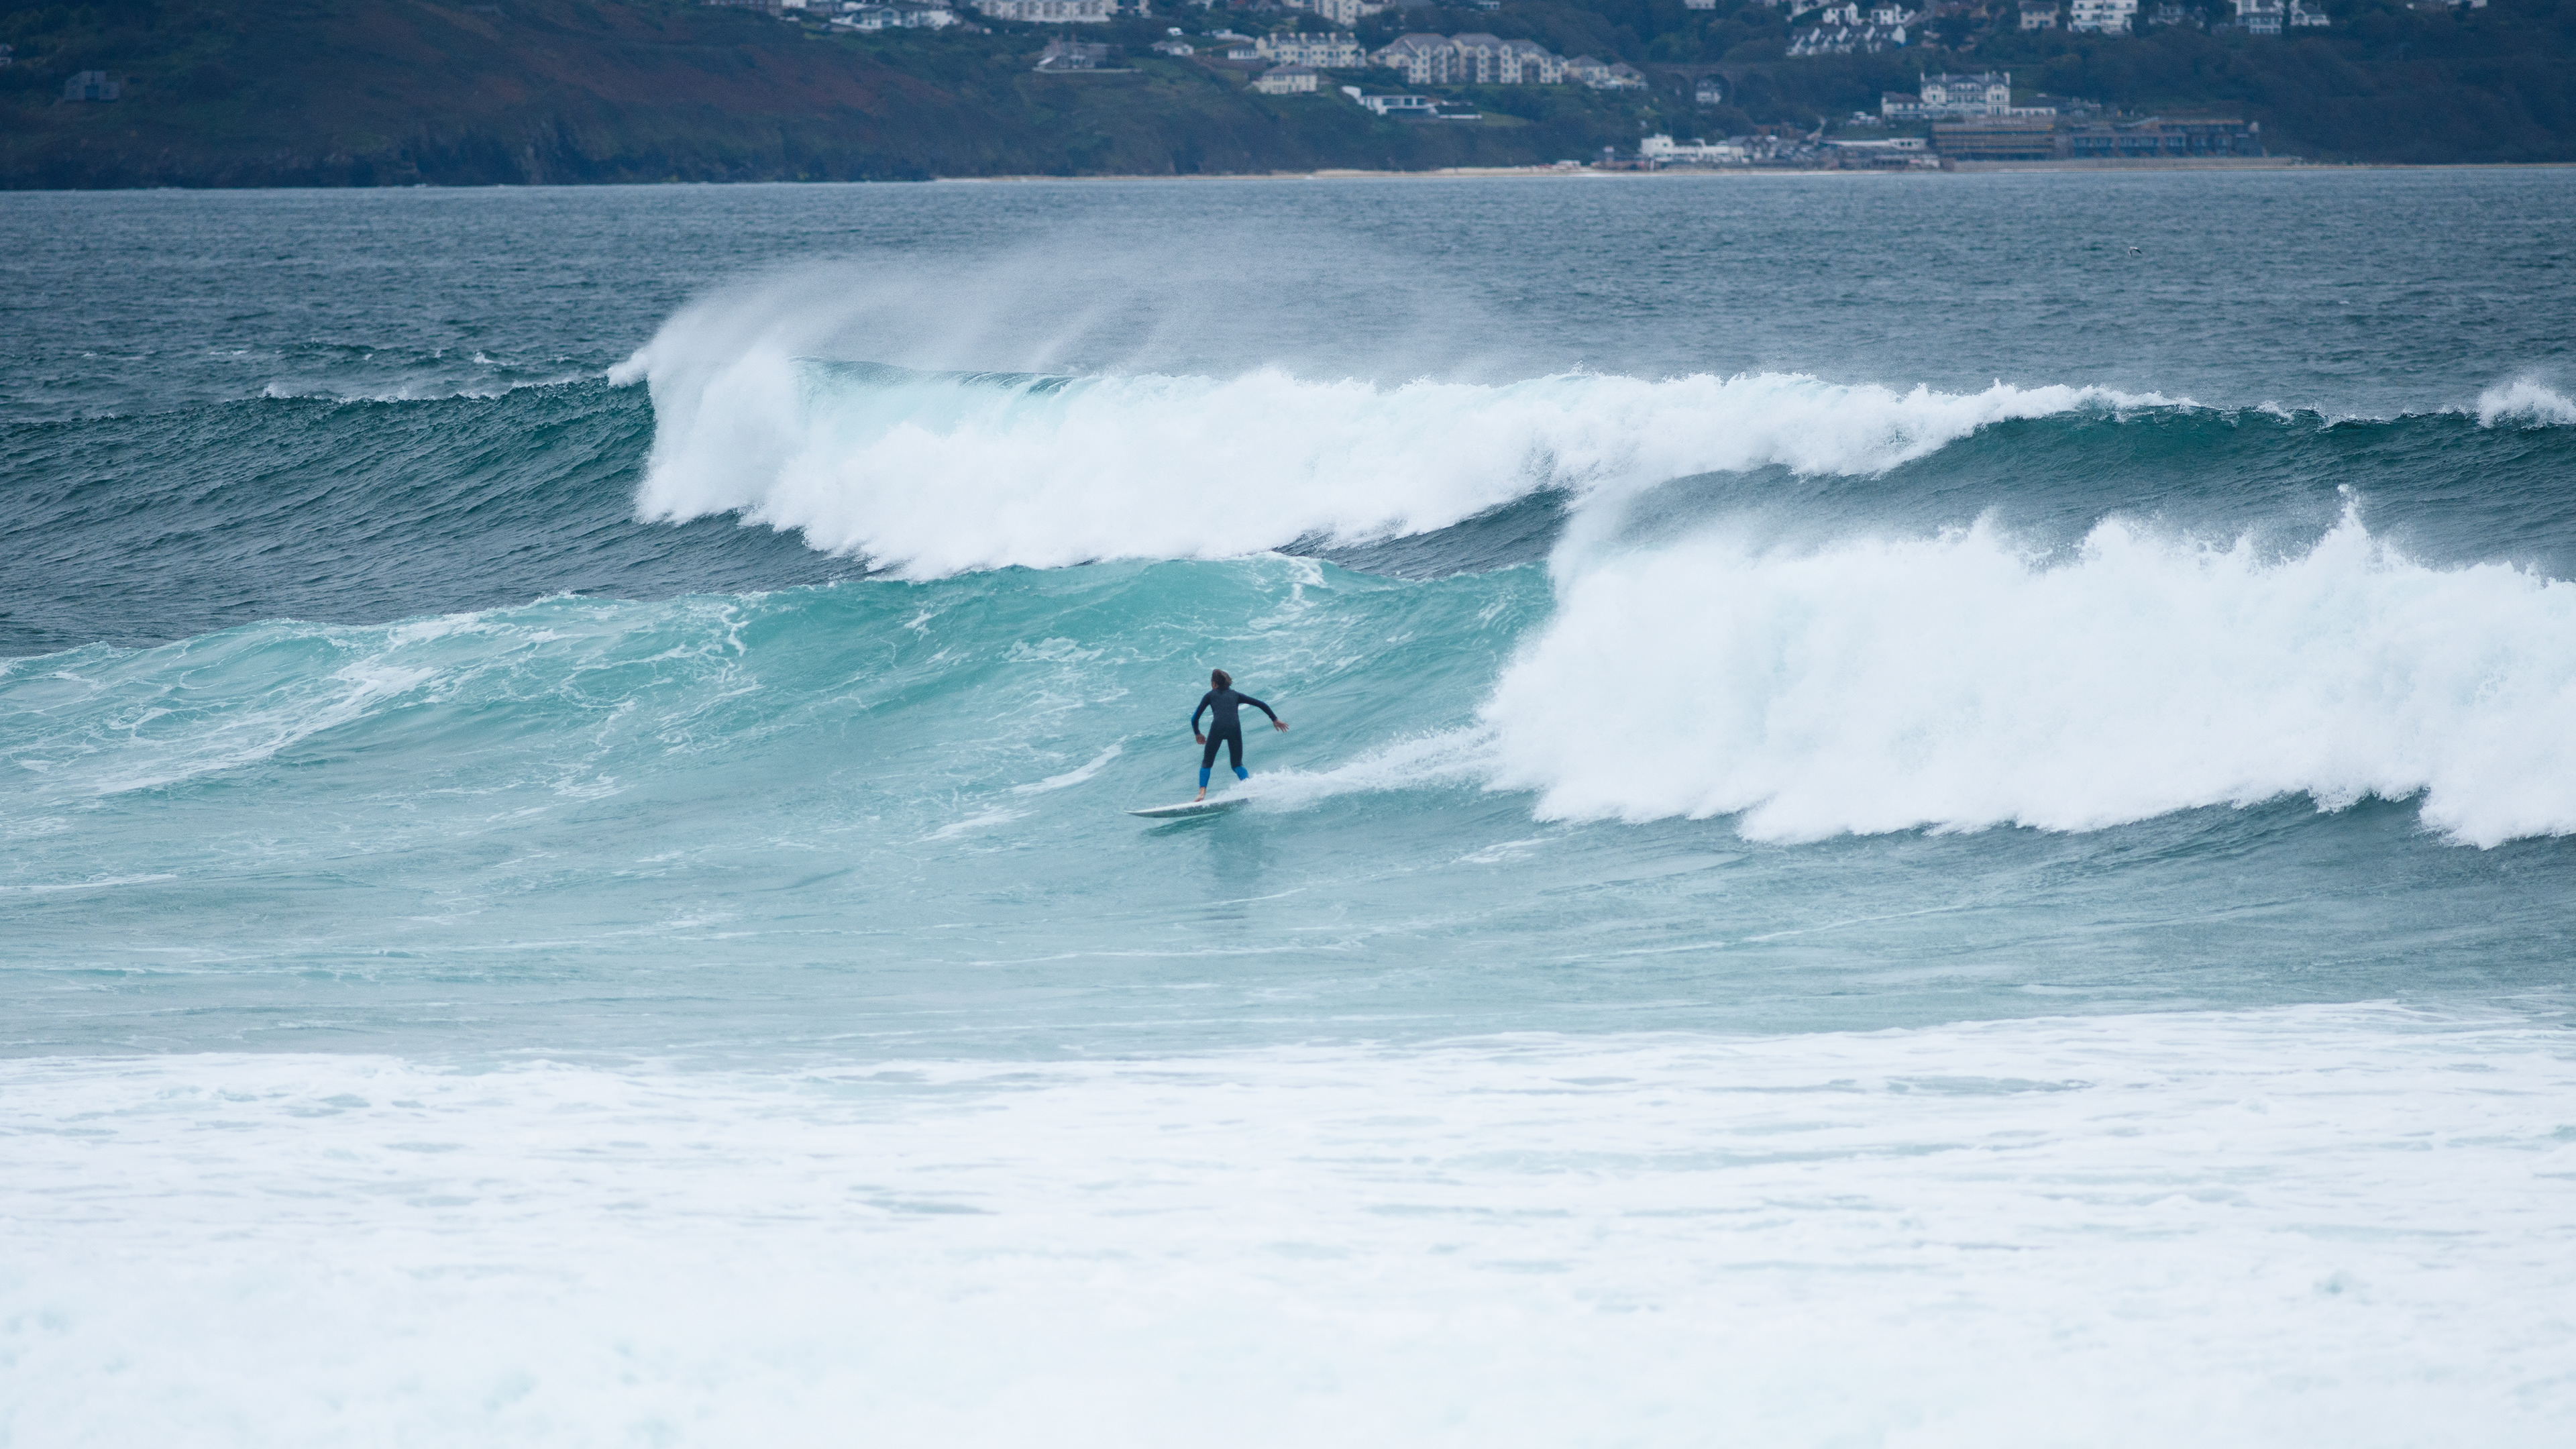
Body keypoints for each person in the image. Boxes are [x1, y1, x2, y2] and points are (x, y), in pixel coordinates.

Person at [1189, 668, 1286, 801]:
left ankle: (1202, 793)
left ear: (1214, 684)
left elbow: (1194, 718)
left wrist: (1197, 733)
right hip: (1234, 728)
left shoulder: (1210, 696)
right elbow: (1261, 704)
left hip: (1218, 728)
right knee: (1236, 764)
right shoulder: (1236, 695)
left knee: (1207, 762)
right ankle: (1250, 787)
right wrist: (1274, 719)